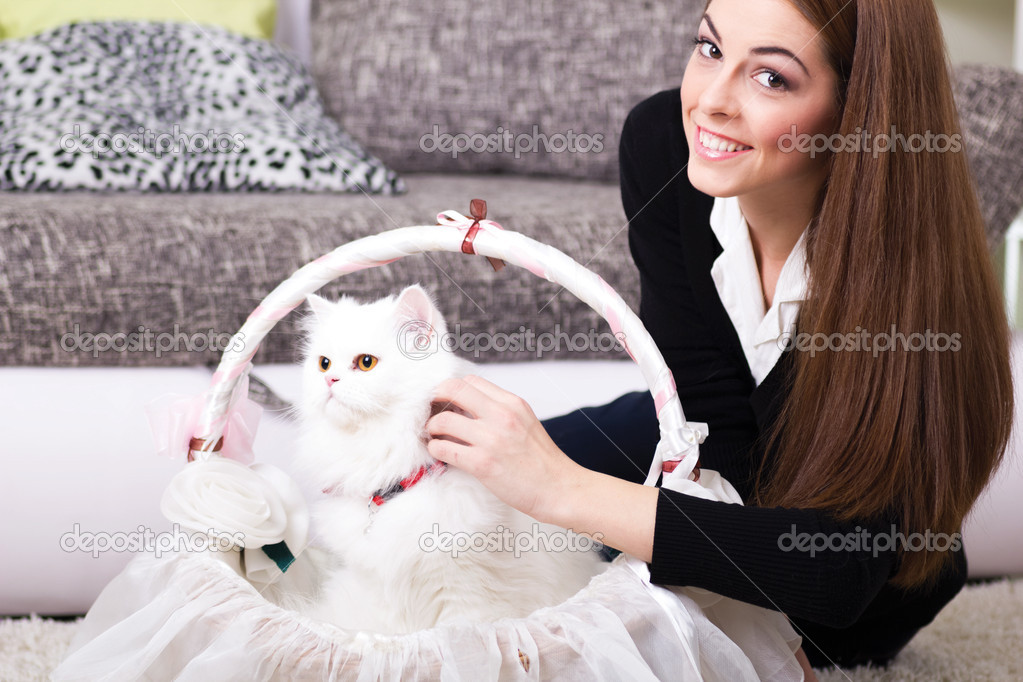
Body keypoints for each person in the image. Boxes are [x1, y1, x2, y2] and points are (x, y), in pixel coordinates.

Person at [426, 0, 1014, 671]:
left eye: (770, 79)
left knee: (544, 493)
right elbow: (704, 419)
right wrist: (546, 482)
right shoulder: (660, 145)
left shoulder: (909, 275)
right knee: (464, 484)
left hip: (852, 576)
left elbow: (837, 568)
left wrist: (561, 491)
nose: (709, 102)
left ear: (857, 112)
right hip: (714, 455)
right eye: (709, 49)